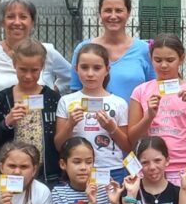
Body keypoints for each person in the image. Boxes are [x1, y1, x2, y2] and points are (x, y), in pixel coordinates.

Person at [128, 33, 186, 185]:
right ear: (151, 58)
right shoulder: (140, 91)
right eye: (158, 60)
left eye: (170, 60)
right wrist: (149, 116)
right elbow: (133, 138)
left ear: (181, 59)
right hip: (151, 167)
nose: (163, 65)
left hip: (183, 167)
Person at [0, 38, 63, 185]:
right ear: (14, 65)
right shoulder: (4, 98)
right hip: (13, 175)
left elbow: (59, 139)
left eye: (34, 70)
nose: (28, 76)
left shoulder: (52, 98)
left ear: (42, 67)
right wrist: (7, 123)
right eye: (23, 69)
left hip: (47, 176)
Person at [54, 42, 130, 179]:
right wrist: (70, 124)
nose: (90, 74)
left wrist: (112, 128)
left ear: (107, 69)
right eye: (84, 67)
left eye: (97, 68)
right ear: (76, 69)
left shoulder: (119, 103)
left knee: (112, 201)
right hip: (77, 171)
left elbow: (126, 145)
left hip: (111, 169)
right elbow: (59, 145)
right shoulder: (66, 101)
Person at [70, 0, 154, 102]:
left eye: (119, 10)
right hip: (93, 119)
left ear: (128, 13)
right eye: (108, 10)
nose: (113, 16)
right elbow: (75, 92)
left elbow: (154, 91)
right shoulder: (83, 49)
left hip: (135, 120)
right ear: (100, 13)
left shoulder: (145, 50)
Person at [0, 0, 71, 97]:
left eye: (23, 17)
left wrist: (53, 92)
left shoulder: (46, 51)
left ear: (32, 22)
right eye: (11, 17)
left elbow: (72, 76)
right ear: (2, 21)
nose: (17, 22)